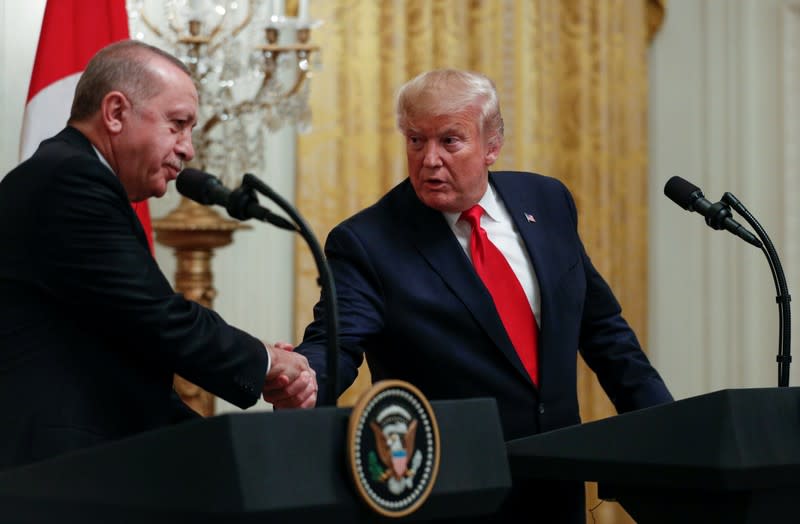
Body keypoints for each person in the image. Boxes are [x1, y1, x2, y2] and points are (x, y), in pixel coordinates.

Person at [296, 69, 673, 522]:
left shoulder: (548, 201)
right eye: (416, 141)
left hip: (557, 487)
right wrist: (303, 379)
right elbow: (335, 343)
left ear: (491, 145)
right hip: (450, 495)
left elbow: (605, 333)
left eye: (449, 141)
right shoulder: (369, 241)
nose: (429, 159)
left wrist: (669, 433)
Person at [0, 40, 316, 471]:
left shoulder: (72, 176)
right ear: (115, 113)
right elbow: (158, 317)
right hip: (55, 472)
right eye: (178, 124)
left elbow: (128, 352)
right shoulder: (70, 182)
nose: (187, 149)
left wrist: (229, 445)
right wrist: (266, 362)